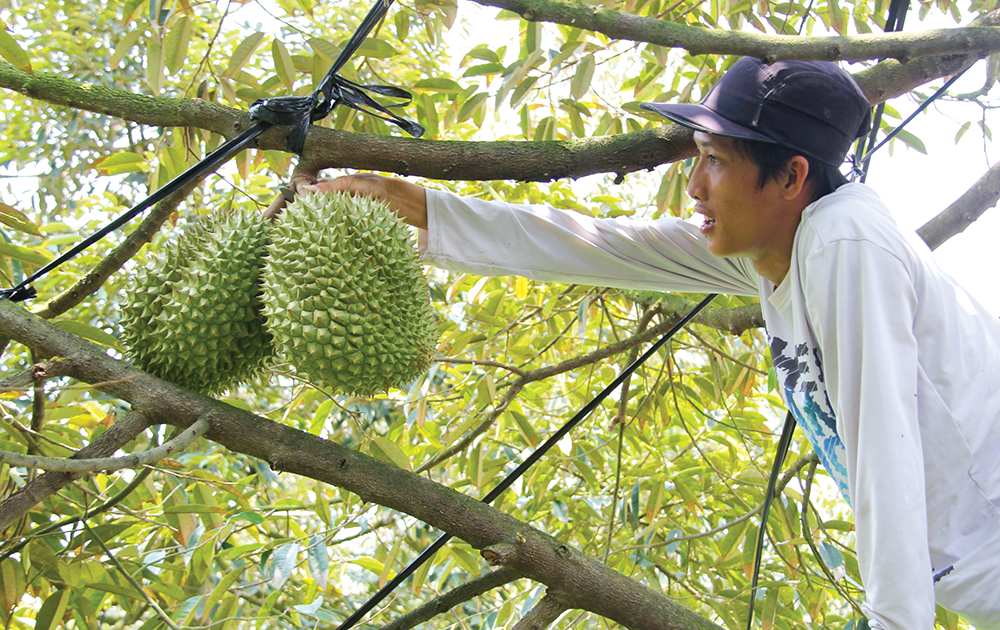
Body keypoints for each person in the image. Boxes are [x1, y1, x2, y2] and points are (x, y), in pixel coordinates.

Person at [300, 57, 1000, 630]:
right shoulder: (780, 249)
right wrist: (408, 205)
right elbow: (597, 245)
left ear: (791, 176)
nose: (693, 186)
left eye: (715, 161)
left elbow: (884, 443)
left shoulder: (845, 241)